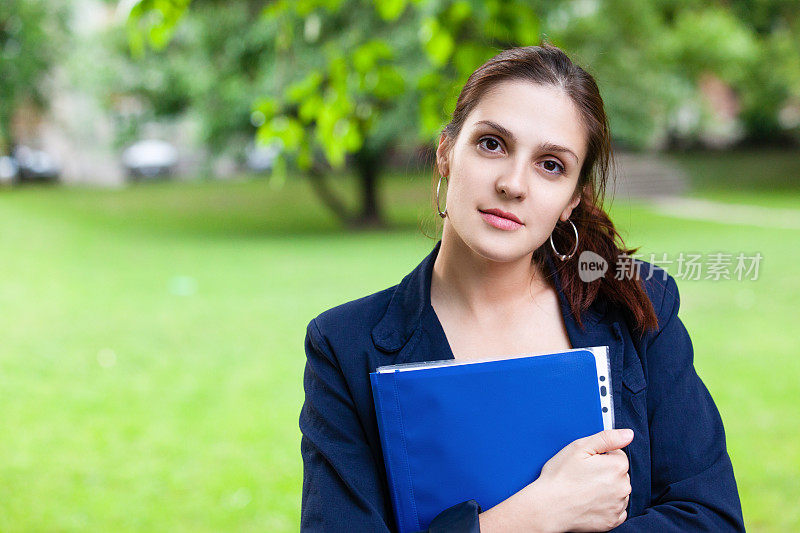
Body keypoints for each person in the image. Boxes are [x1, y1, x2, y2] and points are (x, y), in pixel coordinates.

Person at [299, 42, 745, 532]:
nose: (514, 184)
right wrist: (539, 514)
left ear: (571, 199)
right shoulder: (345, 346)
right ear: (447, 151)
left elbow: (711, 519)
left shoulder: (638, 308)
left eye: (551, 165)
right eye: (492, 143)